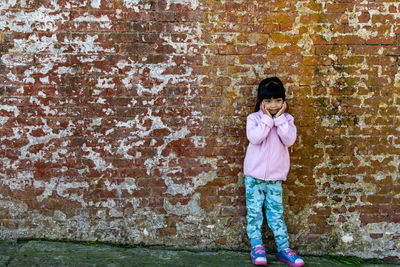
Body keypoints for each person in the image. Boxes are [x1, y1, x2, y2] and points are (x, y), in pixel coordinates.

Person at [244, 77, 304, 267]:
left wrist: (278, 119)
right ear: (261, 102)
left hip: (275, 178)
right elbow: (255, 138)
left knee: (276, 214)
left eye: (277, 100)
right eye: (268, 101)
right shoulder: (253, 119)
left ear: (284, 102)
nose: (273, 105)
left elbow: (289, 140)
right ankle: (257, 247)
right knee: (254, 213)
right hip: (253, 176)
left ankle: (284, 249)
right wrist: (267, 120)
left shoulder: (287, 120)